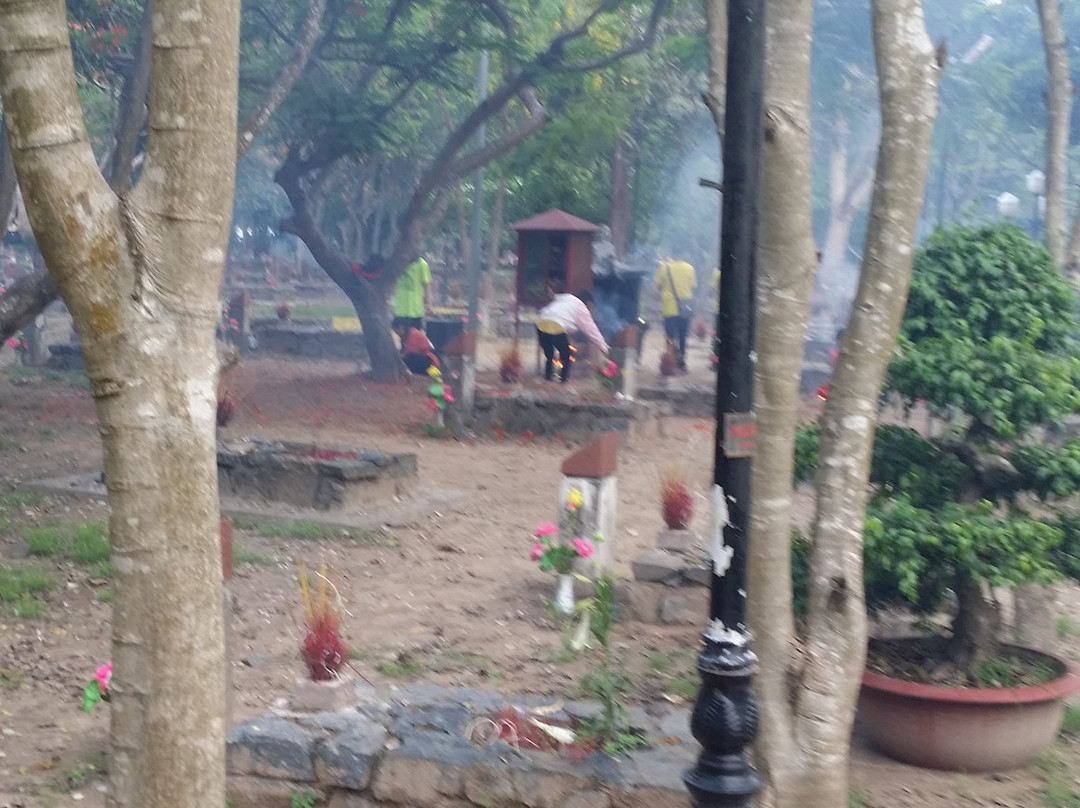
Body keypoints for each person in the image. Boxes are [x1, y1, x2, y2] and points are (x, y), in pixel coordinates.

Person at [535, 289, 609, 383]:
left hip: (540, 324)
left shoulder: (565, 299)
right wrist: (603, 346)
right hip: (555, 325)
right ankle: (563, 381)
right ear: (588, 303)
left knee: (549, 355)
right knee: (567, 354)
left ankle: (547, 379)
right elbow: (591, 329)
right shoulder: (580, 307)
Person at [655, 256, 697, 370]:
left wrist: (660, 296)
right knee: (683, 335)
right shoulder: (690, 268)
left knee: (670, 337)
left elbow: (657, 288)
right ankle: (682, 362)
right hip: (685, 308)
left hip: (669, 307)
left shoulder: (664, 268)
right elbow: (692, 288)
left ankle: (670, 360)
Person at [392, 253, 432, 333]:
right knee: (402, 335)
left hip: (415, 310)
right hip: (400, 309)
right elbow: (393, 283)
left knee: (415, 336)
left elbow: (427, 285)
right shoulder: (398, 263)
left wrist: (428, 303)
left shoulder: (422, 265)